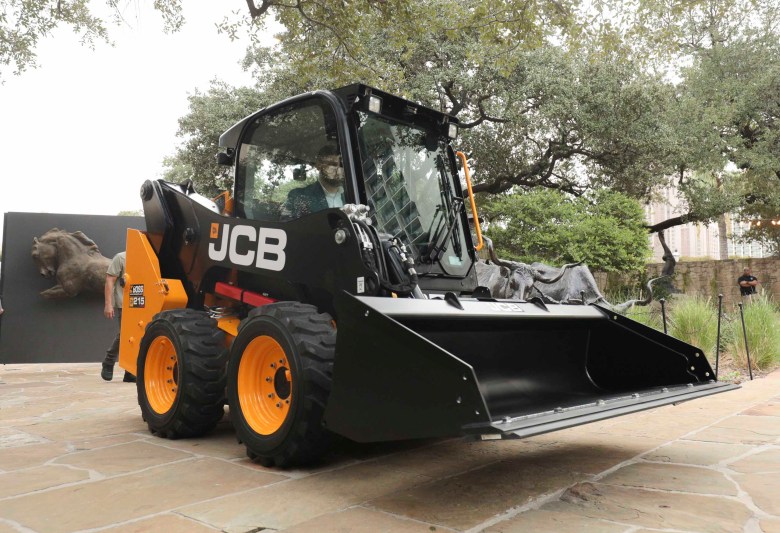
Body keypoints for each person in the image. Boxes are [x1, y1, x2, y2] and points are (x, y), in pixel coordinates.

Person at [282, 144, 345, 218]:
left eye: (342, 166)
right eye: (333, 165)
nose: (339, 171)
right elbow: (288, 223)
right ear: (319, 165)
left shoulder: (354, 196)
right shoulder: (299, 196)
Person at [101, 251, 135, 382]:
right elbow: (110, 280)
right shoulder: (121, 257)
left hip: (142, 303)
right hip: (124, 304)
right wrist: (108, 304)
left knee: (138, 336)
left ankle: (130, 371)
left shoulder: (148, 257)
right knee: (125, 334)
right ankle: (108, 362)